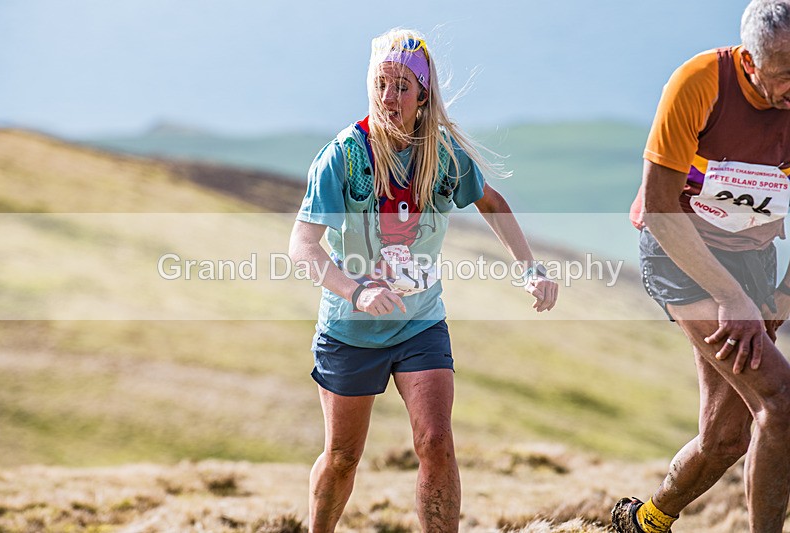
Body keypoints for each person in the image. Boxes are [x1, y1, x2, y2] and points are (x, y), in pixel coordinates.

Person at [288, 28, 559, 532]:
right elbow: (301, 247)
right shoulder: (343, 157)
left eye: (401, 87)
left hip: (420, 324)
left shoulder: (443, 154)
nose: (389, 97)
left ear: (423, 94)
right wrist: (359, 290)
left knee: (436, 442)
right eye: (380, 84)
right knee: (343, 458)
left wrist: (530, 268)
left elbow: (492, 203)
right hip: (350, 330)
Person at [612, 1, 790, 532]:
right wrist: (732, 299)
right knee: (781, 403)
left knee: (726, 438)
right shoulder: (699, 82)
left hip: (754, 257)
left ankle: (643, 522)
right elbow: (661, 208)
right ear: (750, 64)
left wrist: (778, 300)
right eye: (785, 75)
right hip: (680, 252)